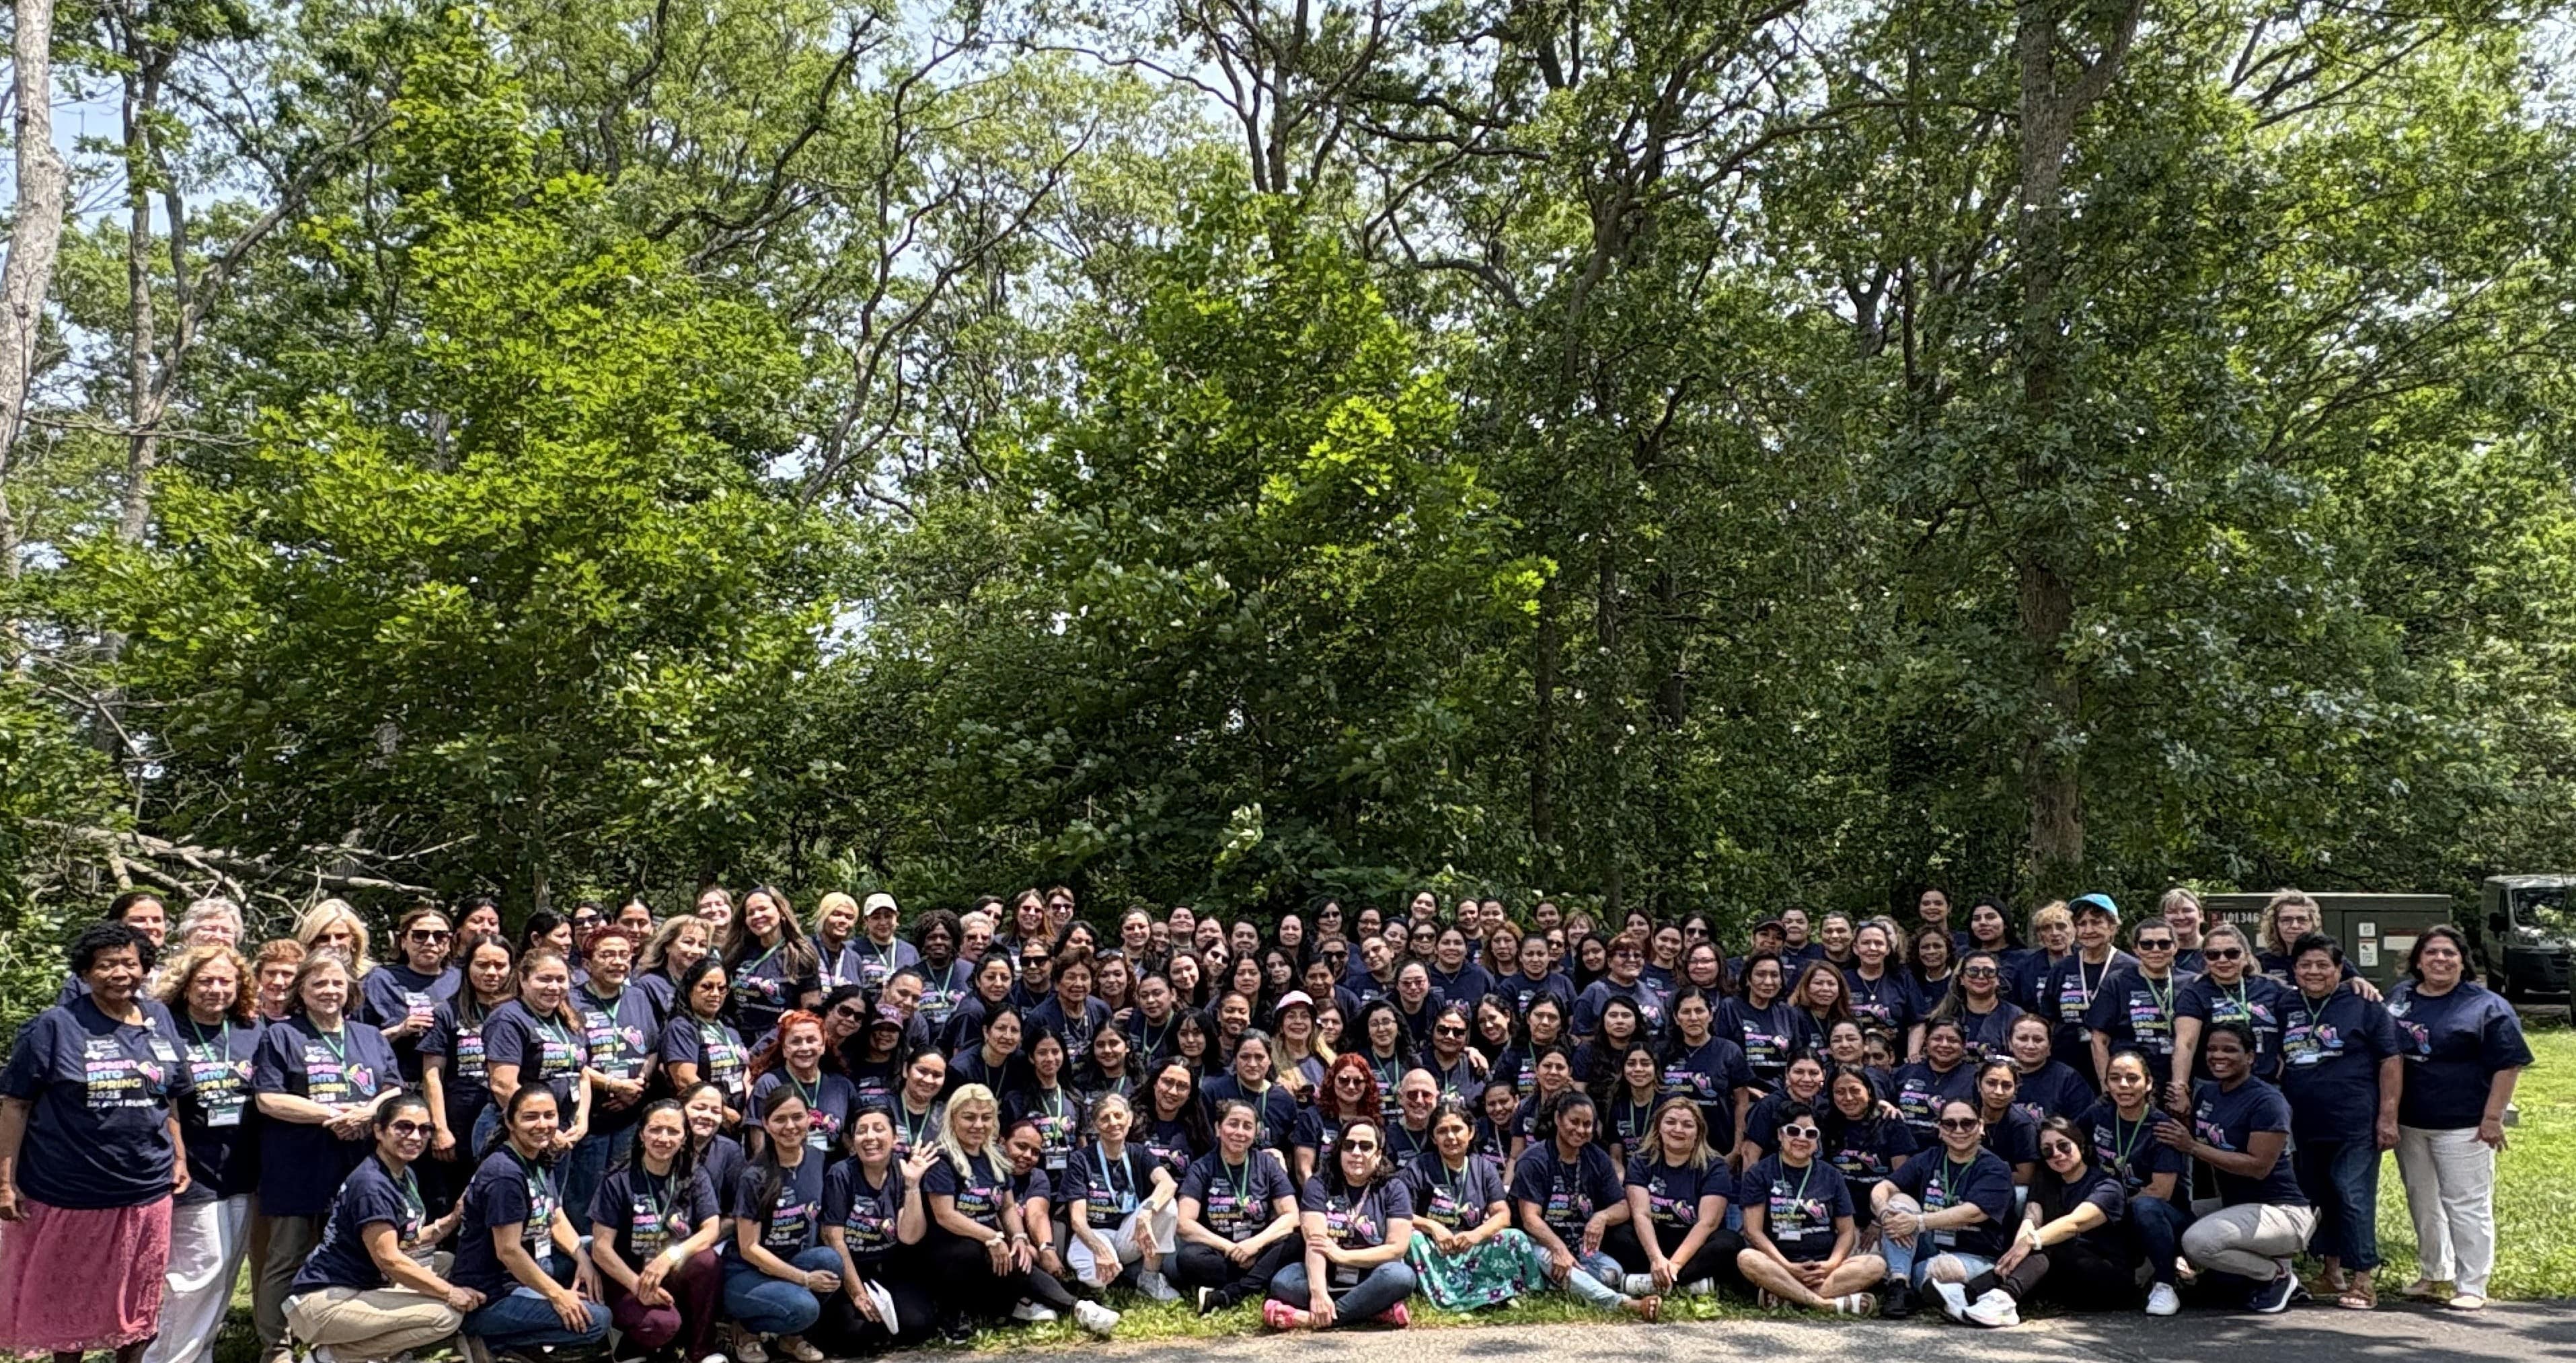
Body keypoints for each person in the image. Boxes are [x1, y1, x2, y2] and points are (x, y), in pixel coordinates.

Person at [0, 923, 192, 1363]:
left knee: (138, 1298)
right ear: (85, 973)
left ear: (145, 967)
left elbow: (170, 1095)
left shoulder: (159, 1019)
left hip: (146, 1188)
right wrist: (4, 1183)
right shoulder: (54, 1026)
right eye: (106, 964)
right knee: (69, 1296)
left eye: (130, 962)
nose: (120, 972)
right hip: (69, 1189)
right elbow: (15, 1104)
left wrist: (179, 1154)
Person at [250, 952, 400, 1363]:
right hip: (298, 1163)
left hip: (359, 1163)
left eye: (337, 983)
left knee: (356, 1251)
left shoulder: (370, 1035)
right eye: (318, 984)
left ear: (351, 989)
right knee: (287, 1256)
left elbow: (393, 1088)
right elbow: (268, 1098)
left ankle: (346, 1340)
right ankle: (277, 1346)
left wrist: (369, 1113)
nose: (329, 991)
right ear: (301, 990)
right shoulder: (280, 1036)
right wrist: (333, 1115)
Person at [2387, 925, 2531, 1311]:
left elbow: (2509, 1064)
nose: (2440, 960)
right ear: (2418, 959)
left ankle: (2472, 1284)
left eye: (2449, 953)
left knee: (2467, 1204)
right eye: (2431, 952)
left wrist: (2492, 1118)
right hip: (2410, 1122)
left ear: (2462, 960)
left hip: (2465, 1125)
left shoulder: (2486, 1006)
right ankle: (2435, 1273)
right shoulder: (2400, 998)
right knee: (2423, 1201)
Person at [280, 1095, 481, 1362]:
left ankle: (382, 1347)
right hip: (325, 1302)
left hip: (364, 1283)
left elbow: (401, 1240)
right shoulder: (372, 1186)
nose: (415, 1136)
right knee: (445, 1317)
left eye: (424, 1129)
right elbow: (390, 1259)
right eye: (404, 1127)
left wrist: (453, 1219)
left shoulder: (402, 1172)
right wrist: (450, 1293)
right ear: (378, 1130)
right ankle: (331, 1357)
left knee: (447, 1262)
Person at [147, 944, 265, 1363]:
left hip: (241, 1164)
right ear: (185, 985)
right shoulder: (166, 1029)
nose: (216, 989)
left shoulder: (252, 1029)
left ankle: (201, 1352)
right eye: (205, 981)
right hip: (190, 1164)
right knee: (198, 1270)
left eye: (225, 981)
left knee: (227, 1270)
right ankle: (165, 1356)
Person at [917, 1085, 1114, 1337]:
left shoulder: (994, 1158)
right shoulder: (942, 1160)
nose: (978, 1125)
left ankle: (1080, 1309)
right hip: (949, 1253)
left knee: (1020, 1258)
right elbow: (946, 1215)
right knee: (968, 1250)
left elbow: (1008, 1206)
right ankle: (952, 1315)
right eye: (969, 1117)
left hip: (989, 1248)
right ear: (953, 1118)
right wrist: (992, 1237)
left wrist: (1019, 1237)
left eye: (986, 1117)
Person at [2279, 932, 2402, 1309]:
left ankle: (2363, 1277)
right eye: (2305, 965)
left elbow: (2390, 1060)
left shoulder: (2364, 1004)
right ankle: (2330, 1272)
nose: (2314, 972)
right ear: (2295, 969)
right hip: (2304, 1122)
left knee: (2352, 1192)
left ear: (2339, 969)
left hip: (2354, 1120)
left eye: (2323, 965)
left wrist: (2388, 1117)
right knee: (2319, 1195)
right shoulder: (2286, 1003)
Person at [450, 1085, 613, 1354]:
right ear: (509, 1122)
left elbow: (554, 1215)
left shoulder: (536, 1157)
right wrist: (559, 1297)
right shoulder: (505, 1175)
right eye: (530, 1117)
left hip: (535, 1263)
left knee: (596, 1248)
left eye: (550, 1116)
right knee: (598, 1320)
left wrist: (583, 1260)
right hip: (494, 1294)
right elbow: (509, 1251)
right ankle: (495, 1342)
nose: (543, 1124)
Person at [2167, 1022, 2314, 1313]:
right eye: (2211, 1049)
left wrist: (2192, 1146)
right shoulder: (2208, 1094)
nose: (2218, 1056)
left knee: (2197, 1241)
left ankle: (2276, 1275)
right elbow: (2198, 1138)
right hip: (2235, 1206)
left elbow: (2258, 1167)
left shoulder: (2268, 1101)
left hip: (2281, 1212)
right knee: (2162, 1218)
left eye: (2229, 1050)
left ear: (2250, 1057)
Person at [1946, 1116, 2135, 1326]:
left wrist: (2030, 1242)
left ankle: (2002, 1299)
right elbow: (2031, 1217)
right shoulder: (2046, 1180)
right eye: (2047, 1150)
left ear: (2080, 1145)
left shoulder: (2107, 1186)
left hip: (2107, 1279)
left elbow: (2075, 1224)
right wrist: (2020, 1248)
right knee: (2035, 1242)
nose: (2056, 1154)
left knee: (2051, 1241)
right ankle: (1967, 1295)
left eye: (2064, 1146)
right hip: (2063, 1279)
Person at [586, 1100, 725, 1363]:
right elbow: (601, 1248)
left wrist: (669, 1257)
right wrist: (639, 1286)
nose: (664, 1138)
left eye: (673, 1131)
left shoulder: (694, 1175)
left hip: (672, 1272)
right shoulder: (618, 1180)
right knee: (661, 1326)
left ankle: (701, 1350)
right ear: (642, 1134)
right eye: (656, 1130)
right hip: (626, 1278)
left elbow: (711, 1229)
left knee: (708, 1260)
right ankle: (631, 1344)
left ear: (685, 1137)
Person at [1509, 1092, 1659, 1317]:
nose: (1581, 1130)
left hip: (1579, 1245)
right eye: (1574, 1122)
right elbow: (1530, 1219)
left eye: (1587, 1124)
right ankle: (1626, 1304)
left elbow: (1623, 1206)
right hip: (1538, 1243)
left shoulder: (1597, 1158)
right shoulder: (1534, 1160)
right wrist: (1558, 1249)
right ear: (1559, 1120)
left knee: (1612, 1274)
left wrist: (1602, 1217)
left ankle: (1555, 1283)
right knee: (1561, 1264)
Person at [1262, 1118, 1417, 1331]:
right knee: (1284, 1282)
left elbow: (1396, 1248)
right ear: (1339, 1150)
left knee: (1401, 1277)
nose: (1356, 1153)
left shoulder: (1394, 1188)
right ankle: (1372, 1309)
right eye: (1349, 1145)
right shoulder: (1319, 1184)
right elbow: (1315, 1243)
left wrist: (1343, 1256)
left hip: (1371, 1273)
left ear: (1379, 1154)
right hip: (1327, 1273)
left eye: (1366, 1146)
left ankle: (1309, 1318)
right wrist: (1318, 1293)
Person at [720, 1087, 840, 1362]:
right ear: (765, 1124)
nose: (790, 1126)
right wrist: (804, 1279)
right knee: (805, 1308)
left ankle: (790, 1338)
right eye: (780, 1119)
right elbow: (749, 1248)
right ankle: (745, 1328)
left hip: (793, 1260)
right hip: (746, 1273)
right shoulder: (754, 1176)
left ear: (810, 1118)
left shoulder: (817, 1158)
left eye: (797, 1117)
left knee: (831, 1262)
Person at [1870, 1098, 2015, 1321]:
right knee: (1898, 1203)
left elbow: (1974, 1212)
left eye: (1967, 1124)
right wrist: (1883, 1212)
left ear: (1981, 1127)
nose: (1958, 1130)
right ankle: (1899, 1284)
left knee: (1944, 1268)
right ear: (1940, 1129)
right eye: (1950, 1124)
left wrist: (1918, 1222)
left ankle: (1904, 1278)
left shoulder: (1995, 1168)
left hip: (1975, 1255)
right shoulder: (1929, 1158)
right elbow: (1884, 1187)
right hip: (1927, 1247)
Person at [1733, 1099, 1882, 1314]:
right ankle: (1824, 1304)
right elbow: (1753, 1231)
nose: (1801, 1139)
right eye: (1793, 1131)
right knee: (1747, 1258)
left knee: (1876, 1265)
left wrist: (1831, 1264)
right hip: (1777, 1263)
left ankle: (1787, 1294)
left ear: (1817, 1141)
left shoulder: (1832, 1175)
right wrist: (1787, 1266)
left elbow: (1847, 1231)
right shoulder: (1760, 1173)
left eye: (1810, 1134)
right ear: (1780, 1135)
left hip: (1823, 1267)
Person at [1402, 1099, 1550, 1310]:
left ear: (1470, 1132)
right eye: (1442, 1131)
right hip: (1435, 1248)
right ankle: (1451, 1296)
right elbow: (1401, 1213)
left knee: (1514, 1237)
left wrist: (1476, 1235)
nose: (1451, 1137)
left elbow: (1502, 1214)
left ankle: (1521, 1293)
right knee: (1412, 1239)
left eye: (1457, 1129)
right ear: (1434, 1138)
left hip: (1471, 1245)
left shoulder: (1484, 1168)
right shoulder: (1418, 1167)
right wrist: (1433, 1227)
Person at [813, 1107, 934, 1354]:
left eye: (879, 1129)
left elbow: (910, 1236)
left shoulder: (903, 1172)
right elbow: (833, 1238)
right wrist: (858, 1294)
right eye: (862, 1131)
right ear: (853, 1140)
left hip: (891, 1268)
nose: (870, 1137)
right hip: (853, 1270)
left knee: (919, 1326)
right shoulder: (841, 1174)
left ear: (895, 1138)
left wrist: (912, 1186)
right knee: (858, 1336)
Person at [2081, 1049, 2191, 1315]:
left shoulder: (2162, 1127)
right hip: (2115, 1211)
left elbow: (2161, 1192)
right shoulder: (2098, 1115)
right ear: (2107, 1084)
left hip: (2163, 1215)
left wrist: (2106, 1210)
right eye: (2115, 1078)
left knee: (2146, 1208)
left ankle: (2166, 1284)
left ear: (2149, 1083)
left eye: (2132, 1078)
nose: (2124, 1086)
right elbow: (2071, 1145)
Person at [1174, 1098, 1303, 1314]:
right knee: (1189, 1259)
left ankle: (1232, 1293)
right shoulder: (1202, 1167)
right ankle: (1258, 1281)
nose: (1240, 1132)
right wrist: (1231, 1249)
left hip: (1260, 1250)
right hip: (1221, 1253)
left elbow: (1292, 1215)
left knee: (1296, 1241)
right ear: (1218, 1128)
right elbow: (1184, 1223)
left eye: (1247, 1126)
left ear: (1256, 1132)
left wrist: (1256, 1244)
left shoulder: (1267, 1164)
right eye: (1233, 1124)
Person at [1612, 1097, 1741, 1298]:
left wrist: (1675, 1265)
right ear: (1659, 1127)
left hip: (1694, 1242)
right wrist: (1656, 1258)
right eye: (1670, 1122)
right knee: (1618, 1235)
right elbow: (1641, 1215)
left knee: (1729, 1243)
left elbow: (1707, 1223)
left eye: (1687, 1125)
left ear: (1699, 1131)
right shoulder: (1641, 1160)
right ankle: (1689, 1284)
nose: (1678, 1129)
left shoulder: (1715, 1165)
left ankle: (1654, 1282)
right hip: (1653, 1240)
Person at [1063, 1094, 1182, 1300]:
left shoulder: (1138, 1153)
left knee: (1168, 1206)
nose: (1113, 1123)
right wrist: (1099, 1250)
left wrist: (1146, 1213)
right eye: (1105, 1118)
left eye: (1118, 1116)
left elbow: (1168, 1183)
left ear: (1129, 1119)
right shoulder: (1081, 1159)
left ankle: (1149, 1279)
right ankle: (1106, 1279)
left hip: (1130, 1231)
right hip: (1094, 1234)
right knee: (1097, 1278)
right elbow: (1077, 1220)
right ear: (1096, 1125)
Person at [421, 934, 514, 1192]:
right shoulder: (447, 1012)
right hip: (459, 1120)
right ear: (467, 966)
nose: (492, 973)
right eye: (482, 965)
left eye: (500, 965)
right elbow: (431, 1075)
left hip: (506, 1119)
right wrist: (440, 1129)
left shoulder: (520, 1012)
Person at [357, 905, 459, 1086]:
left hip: (450, 1086)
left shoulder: (460, 979)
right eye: (420, 935)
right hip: (397, 1082)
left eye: (440, 936)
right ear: (404, 941)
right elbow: (357, 1041)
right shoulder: (380, 980)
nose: (430, 942)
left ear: (449, 944)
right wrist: (400, 1030)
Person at [2086, 919, 2193, 1091]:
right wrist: (2107, 1086)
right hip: (2129, 1081)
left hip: (2176, 1079)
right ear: (2136, 949)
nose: (2156, 950)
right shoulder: (2117, 981)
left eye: (2164, 944)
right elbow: (2099, 1040)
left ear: (2175, 947)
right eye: (2147, 944)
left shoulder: (2190, 982)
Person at [2038, 894, 2135, 1079]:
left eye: (2097, 923)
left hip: (2119, 1066)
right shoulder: (2062, 969)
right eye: (2082, 924)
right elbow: (2048, 1019)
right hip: (2067, 1065)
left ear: (2113, 927)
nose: (2089, 930)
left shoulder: (2130, 969)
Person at [723, 886, 822, 1044]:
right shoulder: (736, 954)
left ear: (781, 912)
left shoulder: (801, 956)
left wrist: (795, 1018)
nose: (757, 916)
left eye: (763, 909)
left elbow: (812, 1011)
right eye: (750, 913)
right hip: (736, 1041)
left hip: (778, 1043)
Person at [659, 958, 751, 1122]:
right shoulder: (681, 1027)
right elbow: (685, 1080)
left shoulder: (728, 1026)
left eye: (722, 988)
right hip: (703, 1117)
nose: (715, 994)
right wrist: (723, 1112)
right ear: (690, 989)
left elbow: (744, 1070)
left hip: (737, 1115)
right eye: (707, 987)